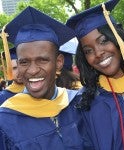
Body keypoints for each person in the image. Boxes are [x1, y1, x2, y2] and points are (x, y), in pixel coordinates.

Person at [0, 6, 92, 149]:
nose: (32, 70)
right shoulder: (5, 122)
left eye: (42, 60)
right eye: (24, 62)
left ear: (59, 62)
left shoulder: (80, 103)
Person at [66, 0, 124, 149]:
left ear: (119, 39)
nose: (98, 53)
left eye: (104, 41)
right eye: (88, 51)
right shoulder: (85, 101)